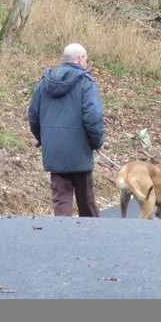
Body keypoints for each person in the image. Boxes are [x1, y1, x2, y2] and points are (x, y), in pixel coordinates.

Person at [28, 42, 105, 217]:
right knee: (86, 201)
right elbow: (93, 115)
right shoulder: (86, 82)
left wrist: (43, 139)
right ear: (80, 59)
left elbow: (33, 115)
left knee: (61, 200)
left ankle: (62, 238)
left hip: (54, 149)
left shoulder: (45, 83)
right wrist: (97, 141)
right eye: (86, 59)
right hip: (79, 150)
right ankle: (94, 236)